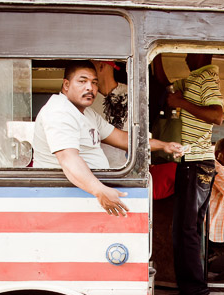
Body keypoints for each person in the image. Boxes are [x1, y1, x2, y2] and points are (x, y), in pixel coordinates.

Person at [32, 60, 181, 216]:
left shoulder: (86, 113)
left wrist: (164, 145)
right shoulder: (60, 112)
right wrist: (99, 190)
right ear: (66, 85)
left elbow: (123, 139)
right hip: (63, 202)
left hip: (83, 197)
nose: (90, 87)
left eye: (94, 82)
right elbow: (68, 160)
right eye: (82, 81)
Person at [154, 54, 224, 295]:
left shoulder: (207, 77)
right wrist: (155, 55)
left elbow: (217, 115)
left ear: (200, 54)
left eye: (189, 52)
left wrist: (181, 102)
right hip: (190, 163)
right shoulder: (192, 79)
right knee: (185, 229)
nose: (184, 56)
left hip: (196, 163)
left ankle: (195, 292)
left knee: (186, 230)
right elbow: (166, 86)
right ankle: (192, 289)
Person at [90, 60, 128, 168]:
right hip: (93, 169)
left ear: (101, 66)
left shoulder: (131, 94)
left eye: (90, 66)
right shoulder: (86, 98)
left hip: (124, 170)